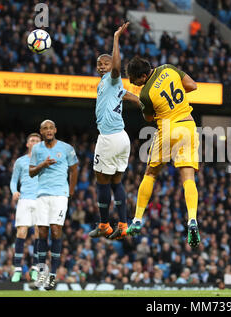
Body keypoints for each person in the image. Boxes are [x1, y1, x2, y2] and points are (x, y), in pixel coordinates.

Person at [124, 56, 200, 247]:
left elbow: (149, 118)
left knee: (150, 174)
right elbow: (192, 86)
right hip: (187, 125)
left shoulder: (145, 94)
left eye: (134, 80)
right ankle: (192, 219)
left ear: (143, 76)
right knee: (188, 178)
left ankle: (137, 219)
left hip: (166, 130)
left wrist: (136, 101)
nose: (133, 84)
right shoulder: (168, 69)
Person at [88, 22, 141, 240]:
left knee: (101, 181)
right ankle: (123, 224)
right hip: (122, 137)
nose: (101, 66)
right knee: (117, 182)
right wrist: (147, 106)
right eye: (99, 63)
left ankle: (104, 225)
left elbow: (118, 68)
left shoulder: (113, 78)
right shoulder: (112, 85)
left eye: (105, 63)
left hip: (109, 137)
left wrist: (116, 38)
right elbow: (133, 98)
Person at [29, 119, 78, 290]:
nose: (48, 130)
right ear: (41, 132)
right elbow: (31, 172)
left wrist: (71, 191)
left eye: (51, 128)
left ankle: (52, 275)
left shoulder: (66, 148)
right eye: (45, 128)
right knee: (42, 233)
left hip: (59, 195)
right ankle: (41, 275)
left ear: (55, 130)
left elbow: (74, 169)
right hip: (42, 194)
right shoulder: (36, 149)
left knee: (56, 230)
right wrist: (43, 164)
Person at [9, 132, 42, 282]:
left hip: (41, 200)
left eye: (37, 141)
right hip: (24, 199)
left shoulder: (46, 161)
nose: (35, 142)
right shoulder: (20, 161)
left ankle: (35, 268)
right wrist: (14, 191)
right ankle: (17, 269)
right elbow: (13, 180)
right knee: (21, 232)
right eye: (32, 140)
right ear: (27, 144)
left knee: (38, 233)